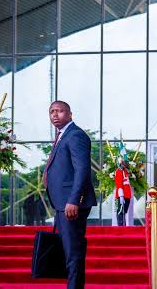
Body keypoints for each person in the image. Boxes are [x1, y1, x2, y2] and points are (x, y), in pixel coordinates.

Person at [44, 101, 97, 289]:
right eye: (52, 111)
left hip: (71, 204)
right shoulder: (62, 135)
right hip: (61, 203)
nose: (55, 115)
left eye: (59, 111)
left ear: (70, 114)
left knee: (73, 252)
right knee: (68, 251)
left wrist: (74, 200)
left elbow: (82, 170)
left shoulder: (75, 135)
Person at [114, 143, 132, 227]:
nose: (127, 163)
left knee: (124, 212)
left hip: (127, 195)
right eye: (125, 161)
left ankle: (123, 227)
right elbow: (119, 184)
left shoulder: (126, 171)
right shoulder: (118, 171)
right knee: (120, 212)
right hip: (122, 195)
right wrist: (121, 196)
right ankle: (120, 228)